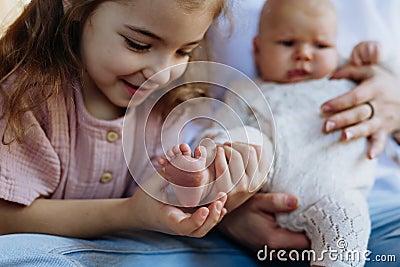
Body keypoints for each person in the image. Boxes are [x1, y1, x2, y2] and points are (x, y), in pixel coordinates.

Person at [0, 0, 271, 266]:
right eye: (139, 45)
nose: (162, 74)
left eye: (183, 52)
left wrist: (204, 188)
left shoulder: (167, 102)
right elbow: (6, 219)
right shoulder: (26, 98)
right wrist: (130, 213)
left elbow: (163, 197)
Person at [210, 0, 400, 266]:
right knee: (243, 141)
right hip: (260, 201)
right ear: (257, 49)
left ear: (336, 48)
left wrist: (380, 59)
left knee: (347, 219)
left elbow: (391, 83)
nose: (305, 54)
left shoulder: (344, 77)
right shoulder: (246, 91)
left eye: (321, 46)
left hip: (335, 195)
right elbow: (216, 129)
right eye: (288, 43)